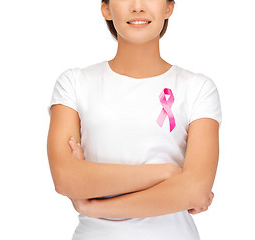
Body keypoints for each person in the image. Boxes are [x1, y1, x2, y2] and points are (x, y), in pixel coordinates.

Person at [47, 0, 222, 239]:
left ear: (169, 7)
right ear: (106, 8)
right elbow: (66, 179)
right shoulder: (74, 84)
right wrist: (168, 173)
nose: (138, 6)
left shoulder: (197, 88)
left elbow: (196, 190)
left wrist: (96, 206)